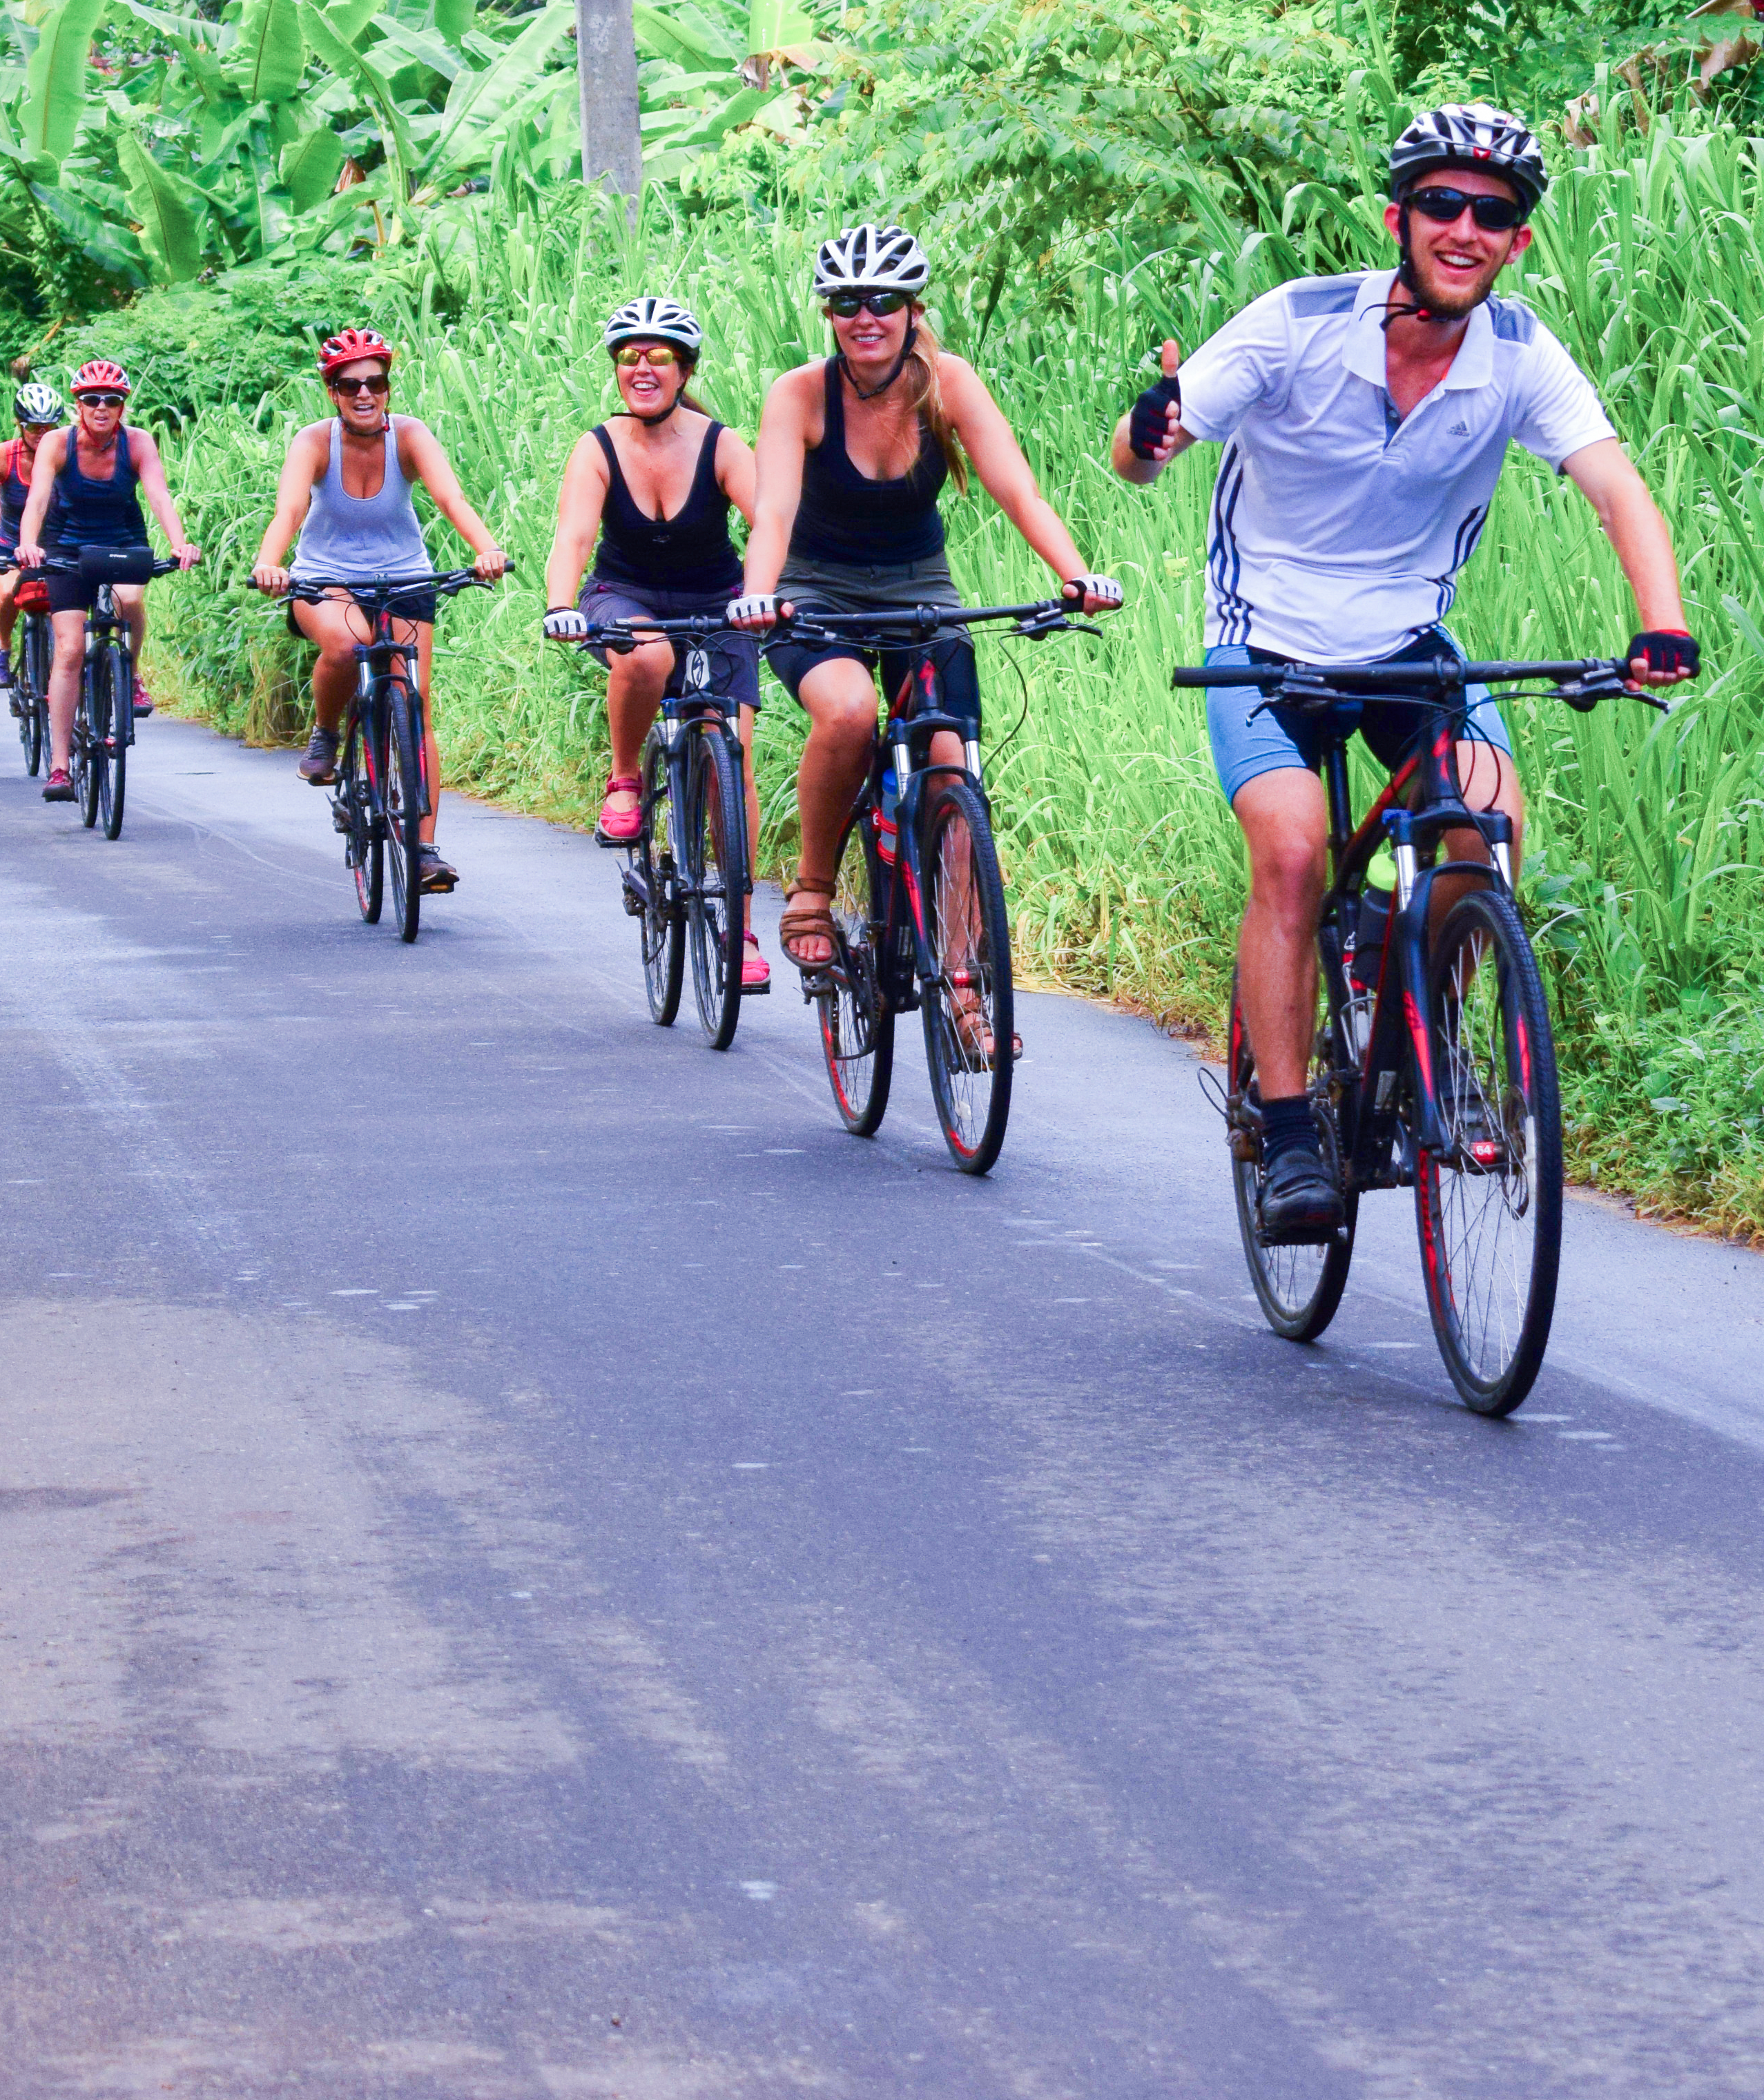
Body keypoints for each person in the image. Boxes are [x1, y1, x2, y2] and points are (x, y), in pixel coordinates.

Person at [1114, 103, 1698, 1245]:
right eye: (1442, 203)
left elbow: (1620, 489)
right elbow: (1144, 457)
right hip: (1262, 643)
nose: (1466, 226)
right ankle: (1287, 1136)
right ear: (1400, 217)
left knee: (1490, 827)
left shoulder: (1521, 355)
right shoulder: (1296, 324)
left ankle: (1428, 1022)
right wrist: (1151, 431)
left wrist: (1661, 625)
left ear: (1518, 240)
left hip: (1408, 645)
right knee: (1291, 854)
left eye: (1494, 212)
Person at [726, 227, 1122, 1030]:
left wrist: (1073, 575)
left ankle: (964, 983)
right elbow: (771, 511)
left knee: (950, 767)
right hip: (813, 595)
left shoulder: (949, 385)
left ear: (913, 310)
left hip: (920, 594)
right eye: (845, 303)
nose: (863, 317)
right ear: (829, 314)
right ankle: (809, 891)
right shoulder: (799, 393)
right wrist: (758, 595)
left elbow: (1020, 491)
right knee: (847, 711)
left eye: (883, 301)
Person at [541, 296, 771, 991]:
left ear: (686, 368)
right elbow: (574, 537)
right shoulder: (599, 446)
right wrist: (559, 603)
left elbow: (769, 524)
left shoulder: (722, 445)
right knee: (647, 654)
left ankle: (741, 924)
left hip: (717, 601)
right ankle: (624, 779)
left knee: (735, 753)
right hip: (624, 596)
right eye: (628, 356)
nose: (642, 367)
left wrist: (769, 594)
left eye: (660, 356)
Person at [249, 327, 510, 894]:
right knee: (348, 642)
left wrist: (485, 550)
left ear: (389, 388)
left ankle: (424, 851)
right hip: (325, 580)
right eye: (350, 385)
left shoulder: (411, 436)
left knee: (414, 703)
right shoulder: (315, 442)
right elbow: (289, 511)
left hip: (405, 576)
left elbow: (451, 498)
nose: (364, 394)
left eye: (376, 382)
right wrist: (271, 564)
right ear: (332, 393)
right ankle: (325, 734)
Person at [16, 358, 198, 803]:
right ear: (78, 404)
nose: (102, 407)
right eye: (91, 399)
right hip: (67, 548)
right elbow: (38, 499)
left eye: (112, 400)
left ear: (123, 406)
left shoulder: (137, 443)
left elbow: (158, 494)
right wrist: (27, 543)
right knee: (70, 649)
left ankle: (130, 674)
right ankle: (59, 766)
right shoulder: (57, 444)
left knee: (130, 601)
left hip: (122, 541)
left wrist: (179, 543)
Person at [0, 382, 64, 692]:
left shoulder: (69, 451)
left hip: (56, 542)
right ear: (19, 425)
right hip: (10, 541)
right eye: (33, 426)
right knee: (9, 592)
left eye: (49, 426)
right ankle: (4, 648)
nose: (41, 433)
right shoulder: (1, 454)